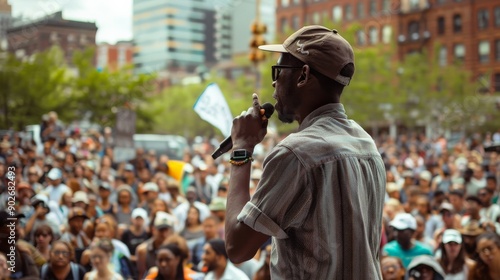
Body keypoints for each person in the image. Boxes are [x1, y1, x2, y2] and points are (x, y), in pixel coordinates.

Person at [224, 25, 386, 279]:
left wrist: (241, 149)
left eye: (278, 71)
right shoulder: (366, 144)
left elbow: (237, 247)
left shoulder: (296, 154)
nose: (275, 82)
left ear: (303, 75)